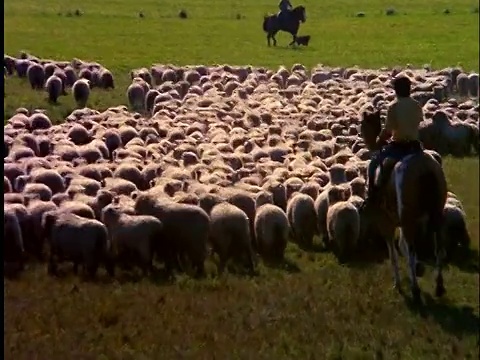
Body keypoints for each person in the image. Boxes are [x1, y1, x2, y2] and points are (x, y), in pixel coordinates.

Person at [364, 75, 424, 205]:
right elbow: (418, 122)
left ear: (396, 90)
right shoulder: (416, 105)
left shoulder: (394, 106)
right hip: (415, 147)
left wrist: (378, 141)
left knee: (374, 164)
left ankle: (372, 198)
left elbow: (388, 131)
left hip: (399, 147)